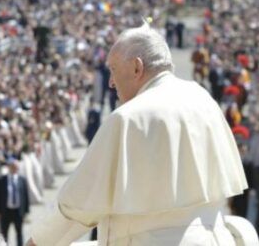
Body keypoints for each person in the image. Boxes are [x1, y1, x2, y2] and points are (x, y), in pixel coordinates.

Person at [27, 23, 247, 246]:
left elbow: (78, 206)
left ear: (136, 67)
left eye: (113, 69)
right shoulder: (204, 100)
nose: (111, 82)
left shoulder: (127, 118)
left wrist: (39, 242)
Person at [0, 160, 30, 246]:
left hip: (18, 212)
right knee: (4, 234)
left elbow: (25, 196)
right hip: (5, 211)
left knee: (19, 233)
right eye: (12, 167)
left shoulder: (22, 180)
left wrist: (26, 211)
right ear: (9, 168)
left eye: (16, 167)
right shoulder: (1, 180)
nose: (14, 169)